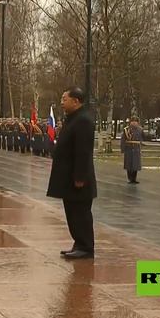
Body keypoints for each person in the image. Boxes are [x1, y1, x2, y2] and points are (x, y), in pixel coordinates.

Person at [47, 87, 97, 259]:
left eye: (64, 99)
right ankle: (79, 243)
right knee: (72, 212)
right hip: (68, 177)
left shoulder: (83, 120)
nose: (61, 102)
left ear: (76, 101)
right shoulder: (73, 119)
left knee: (80, 213)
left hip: (78, 178)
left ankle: (86, 247)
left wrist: (80, 177)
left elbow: (83, 152)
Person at [120, 116, 143, 184]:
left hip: (136, 149)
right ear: (130, 122)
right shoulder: (126, 130)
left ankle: (134, 178)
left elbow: (141, 138)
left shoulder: (140, 129)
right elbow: (123, 140)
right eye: (133, 121)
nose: (134, 123)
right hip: (128, 148)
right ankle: (130, 178)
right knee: (129, 164)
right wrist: (123, 149)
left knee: (135, 165)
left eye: (135, 122)